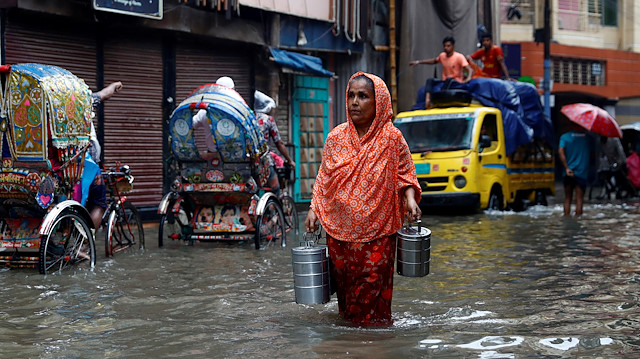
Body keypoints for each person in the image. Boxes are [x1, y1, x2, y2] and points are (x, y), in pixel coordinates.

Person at [304, 72, 422, 327]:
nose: (354, 102)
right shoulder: (336, 137)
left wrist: (410, 199)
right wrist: (314, 208)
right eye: (351, 95)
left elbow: (405, 174)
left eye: (363, 96)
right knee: (346, 299)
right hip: (339, 234)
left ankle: (369, 345)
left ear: (378, 101)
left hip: (378, 233)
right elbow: (324, 176)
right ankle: (353, 343)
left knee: (370, 294)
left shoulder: (392, 138)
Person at [84, 81, 122, 229]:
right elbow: (105, 94)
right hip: (86, 166)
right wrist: (115, 85)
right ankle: (85, 245)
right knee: (99, 203)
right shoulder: (81, 99)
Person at [409, 36, 473, 107]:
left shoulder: (459, 57)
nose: (446, 48)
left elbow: (469, 69)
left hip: (455, 82)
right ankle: (428, 99)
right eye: (445, 46)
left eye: (448, 46)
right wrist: (418, 62)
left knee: (449, 79)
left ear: (453, 47)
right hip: (444, 82)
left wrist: (468, 78)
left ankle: (441, 98)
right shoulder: (442, 56)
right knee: (430, 80)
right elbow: (433, 61)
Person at [253, 90, 295, 196]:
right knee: (275, 188)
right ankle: (275, 209)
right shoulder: (268, 120)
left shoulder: (248, 118)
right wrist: (289, 160)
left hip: (248, 161)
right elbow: (279, 143)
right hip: (264, 161)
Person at [558, 123, 594, 216]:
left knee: (567, 199)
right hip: (582, 173)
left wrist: (566, 168)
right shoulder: (588, 138)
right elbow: (593, 153)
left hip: (568, 172)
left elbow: (560, 152)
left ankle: (566, 219)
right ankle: (578, 221)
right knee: (579, 199)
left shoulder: (564, 137)